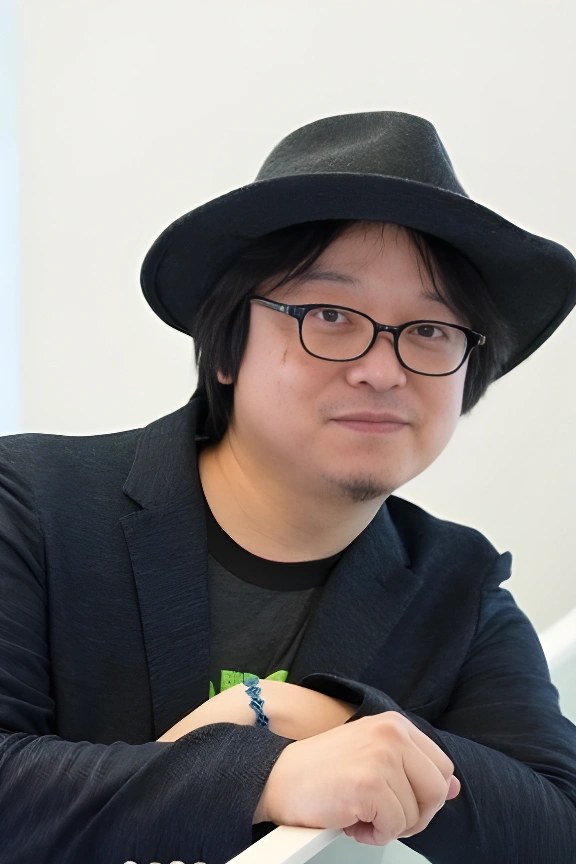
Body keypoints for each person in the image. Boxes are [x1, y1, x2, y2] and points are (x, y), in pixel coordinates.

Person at [1, 111, 575, 864]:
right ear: (226, 351)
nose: (383, 369)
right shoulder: (32, 505)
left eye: (432, 330)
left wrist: (317, 714)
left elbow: (558, 825)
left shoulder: (459, 590)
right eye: (330, 315)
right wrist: (262, 775)